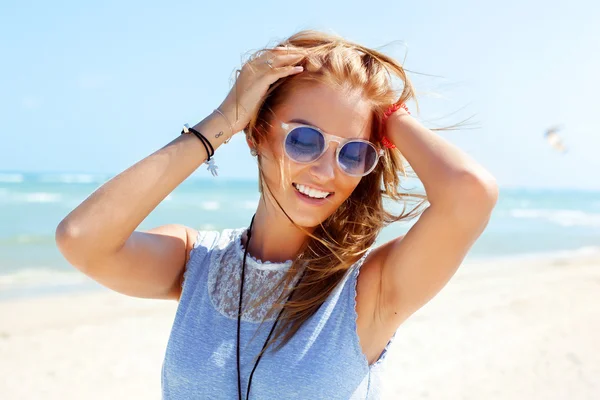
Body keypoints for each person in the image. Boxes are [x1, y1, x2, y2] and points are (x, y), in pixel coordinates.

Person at [55, 30, 498, 399]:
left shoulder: (370, 290)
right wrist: (225, 118)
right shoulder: (196, 263)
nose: (327, 171)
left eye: (353, 153)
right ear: (257, 135)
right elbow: (81, 238)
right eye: (304, 140)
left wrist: (386, 114)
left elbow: (469, 193)